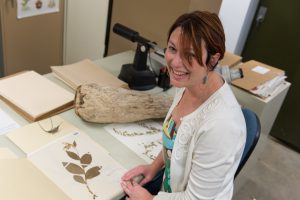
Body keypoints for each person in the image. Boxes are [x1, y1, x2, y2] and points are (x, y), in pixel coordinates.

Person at [120, 10, 246, 200]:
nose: (175, 63)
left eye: (189, 55)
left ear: (212, 59)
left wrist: (148, 199)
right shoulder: (189, 83)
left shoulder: (223, 126)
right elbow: (178, 143)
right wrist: (153, 168)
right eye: (172, 49)